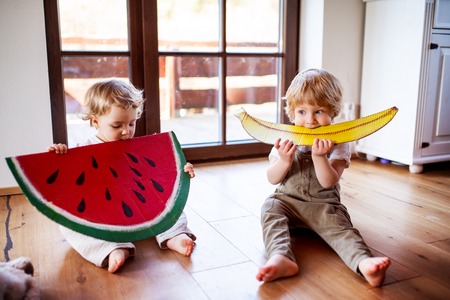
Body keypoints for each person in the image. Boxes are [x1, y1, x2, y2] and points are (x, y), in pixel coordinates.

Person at [256, 69, 390, 287]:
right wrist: (283, 160)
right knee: (270, 208)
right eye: (301, 111)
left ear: (333, 112)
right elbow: (272, 179)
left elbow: (329, 181)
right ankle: (281, 257)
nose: (310, 121)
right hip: (287, 203)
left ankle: (364, 263)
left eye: (318, 111)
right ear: (291, 112)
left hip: (324, 206)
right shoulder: (285, 139)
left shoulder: (339, 142)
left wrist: (320, 157)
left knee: (343, 231)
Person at [48, 79, 196, 273]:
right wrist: (57, 157)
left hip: (138, 205)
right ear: (95, 121)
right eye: (117, 126)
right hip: (102, 214)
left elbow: (161, 177)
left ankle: (174, 235)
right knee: (68, 223)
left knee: (169, 204)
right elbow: (66, 182)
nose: (126, 132)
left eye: (132, 123)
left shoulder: (140, 149)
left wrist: (180, 171)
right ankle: (111, 249)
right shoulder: (82, 150)